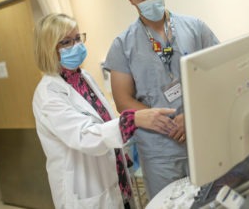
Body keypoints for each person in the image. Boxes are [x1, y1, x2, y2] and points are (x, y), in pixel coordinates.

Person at [32, 13, 177, 209]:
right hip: (85, 191)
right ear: (48, 49)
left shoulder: (83, 77)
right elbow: (84, 136)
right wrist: (133, 119)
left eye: (77, 38)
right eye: (66, 42)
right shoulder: (49, 94)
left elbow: (103, 121)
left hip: (115, 179)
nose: (76, 46)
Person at [103, 0, 219, 199]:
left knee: (214, 201)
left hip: (202, 138)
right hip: (160, 153)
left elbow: (218, 73)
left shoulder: (194, 28)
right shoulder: (122, 45)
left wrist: (191, 117)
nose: (151, 0)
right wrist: (167, 123)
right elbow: (123, 100)